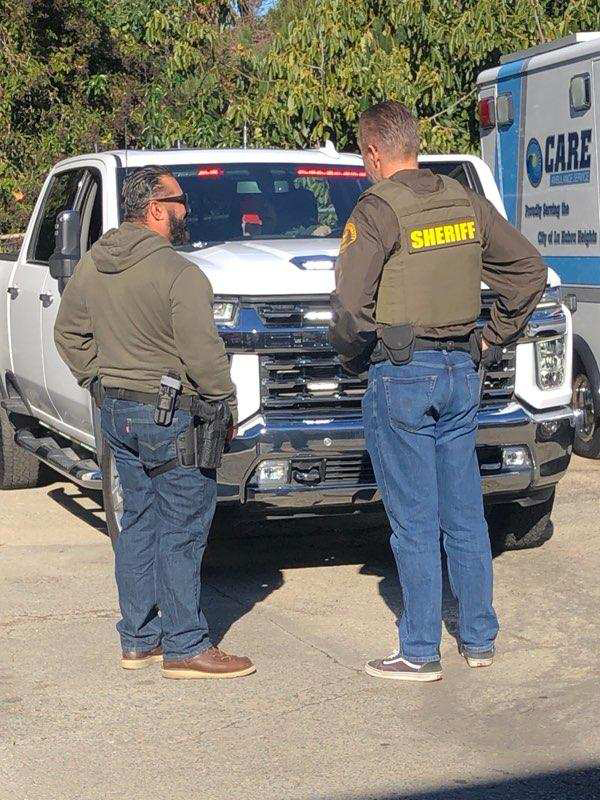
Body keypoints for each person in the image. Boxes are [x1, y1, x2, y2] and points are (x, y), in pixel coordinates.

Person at [330, 101, 547, 682]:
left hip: (402, 371)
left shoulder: (377, 208)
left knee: (414, 521)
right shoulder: (464, 201)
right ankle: (478, 639)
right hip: (461, 371)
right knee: (465, 514)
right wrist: (492, 337)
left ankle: (420, 650)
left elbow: (349, 305)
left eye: (364, 156)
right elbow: (529, 270)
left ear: (374, 152)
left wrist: (353, 358)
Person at [55, 165, 255, 680]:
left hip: (118, 415)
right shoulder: (180, 274)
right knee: (182, 528)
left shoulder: (95, 263)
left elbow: (68, 333)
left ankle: (139, 639)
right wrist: (225, 404)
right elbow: (203, 355)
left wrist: (98, 381)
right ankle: (185, 645)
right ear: (155, 209)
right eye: (180, 201)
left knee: (136, 525)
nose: (187, 209)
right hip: (173, 418)